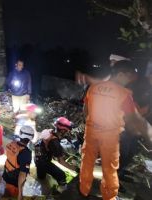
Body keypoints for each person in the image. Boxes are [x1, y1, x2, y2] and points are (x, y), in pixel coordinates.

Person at [79, 60, 152, 200]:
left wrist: (89, 123)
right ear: (120, 74)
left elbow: (85, 110)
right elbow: (132, 119)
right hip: (110, 135)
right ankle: (109, 196)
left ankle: (84, 190)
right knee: (109, 168)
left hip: (91, 131)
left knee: (87, 161)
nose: (129, 81)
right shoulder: (123, 94)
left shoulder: (94, 87)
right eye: (128, 77)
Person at [34, 117, 76, 193]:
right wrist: (73, 168)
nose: (67, 132)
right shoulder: (55, 142)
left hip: (37, 158)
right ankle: (59, 191)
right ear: (63, 130)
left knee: (41, 176)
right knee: (62, 175)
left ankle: (41, 174)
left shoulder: (49, 131)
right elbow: (61, 161)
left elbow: (46, 145)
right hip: (44, 162)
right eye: (67, 131)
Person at [2, 125, 34, 200]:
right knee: (12, 196)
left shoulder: (12, 143)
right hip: (14, 181)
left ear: (20, 134)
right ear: (31, 138)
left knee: (6, 193)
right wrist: (20, 193)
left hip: (6, 174)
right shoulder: (26, 153)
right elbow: (22, 174)